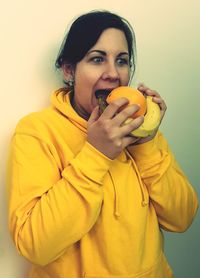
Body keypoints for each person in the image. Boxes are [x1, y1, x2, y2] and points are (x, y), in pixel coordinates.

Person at [7, 10, 198, 278]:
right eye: (97, 59)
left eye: (122, 61)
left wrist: (146, 143)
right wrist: (96, 153)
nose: (113, 73)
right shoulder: (37, 131)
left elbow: (182, 218)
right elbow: (34, 245)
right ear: (69, 70)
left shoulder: (140, 129)